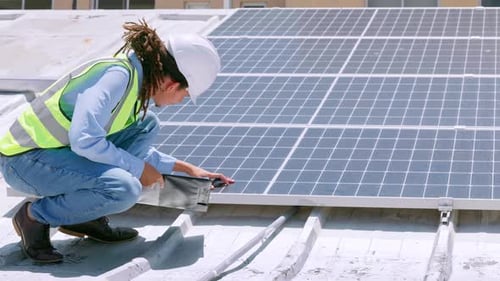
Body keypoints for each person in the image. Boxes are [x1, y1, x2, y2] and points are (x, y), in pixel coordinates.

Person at [0, 19, 234, 263]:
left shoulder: (134, 87)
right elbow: (85, 140)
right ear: (172, 84)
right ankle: (34, 217)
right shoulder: (117, 77)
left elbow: (134, 154)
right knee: (124, 188)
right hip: (24, 161)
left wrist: (190, 170)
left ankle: (82, 216)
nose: (181, 101)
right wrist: (139, 169)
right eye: (185, 95)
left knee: (146, 125)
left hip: (57, 156)